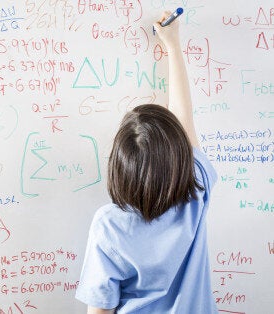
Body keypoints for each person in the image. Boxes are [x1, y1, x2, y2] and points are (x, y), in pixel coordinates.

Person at [74, 11, 218, 313]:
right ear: (179, 157)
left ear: (119, 166)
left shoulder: (109, 225)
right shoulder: (196, 191)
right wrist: (173, 45)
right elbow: (183, 116)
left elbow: (100, 308)